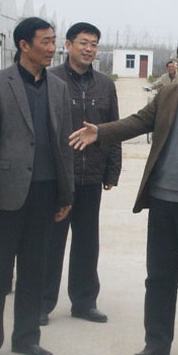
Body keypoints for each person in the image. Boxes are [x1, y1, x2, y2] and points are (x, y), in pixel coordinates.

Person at [69, 35, 178, 355]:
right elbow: (137, 122)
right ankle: (157, 342)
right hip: (162, 201)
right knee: (159, 277)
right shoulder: (168, 93)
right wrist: (100, 132)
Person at [0, 17, 74, 355]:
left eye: (53, 41)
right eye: (45, 41)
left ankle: (27, 338)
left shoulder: (58, 88)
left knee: (35, 270)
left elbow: (63, 144)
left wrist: (66, 194)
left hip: (45, 193)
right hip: (6, 194)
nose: (52, 48)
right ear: (24, 45)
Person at [40, 22, 121, 326]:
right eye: (83, 43)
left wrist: (112, 170)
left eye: (94, 44)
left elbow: (113, 128)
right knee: (51, 242)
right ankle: (41, 303)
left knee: (87, 242)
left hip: (91, 177)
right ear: (68, 45)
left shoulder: (105, 85)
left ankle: (84, 302)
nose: (89, 49)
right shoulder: (50, 80)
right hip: (59, 178)